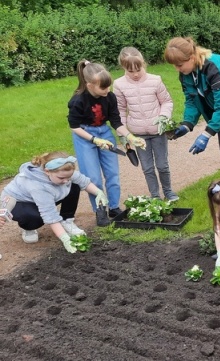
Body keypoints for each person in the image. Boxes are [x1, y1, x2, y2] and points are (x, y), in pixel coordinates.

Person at [164, 37, 220, 181]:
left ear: (192, 57)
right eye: (175, 65)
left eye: (179, 64)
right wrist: (187, 125)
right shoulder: (186, 74)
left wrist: (206, 134)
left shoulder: (214, 67)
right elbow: (192, 101)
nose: (177, 69)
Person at [67, 60, 146, 227]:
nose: (107, 90)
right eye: (103, 88)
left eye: (108, 86)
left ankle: (114, 207)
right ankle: (100, 209)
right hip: (85, 136)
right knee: (93, 177)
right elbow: (74, 126)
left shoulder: (109, 97)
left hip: (104, 132)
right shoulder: (78, 101)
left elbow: (116, 122)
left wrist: (131, 138)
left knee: (113, 174)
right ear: (89, 85)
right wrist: (94, 140)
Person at [0, 151, 109, 253]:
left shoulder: (63, 172)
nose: (66, 180)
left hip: (46, 195)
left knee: (74, 185)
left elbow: (83, 181)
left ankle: (66, 220)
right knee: (35, 217)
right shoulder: (37, 186)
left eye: (68, 177)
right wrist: (65, 238)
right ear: (47, 171)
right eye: (61, 178)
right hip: (18, 202)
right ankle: (29, 228)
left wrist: (99, 193)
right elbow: (49, 215)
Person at [113, 47, 179, 202]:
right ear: (123, 68)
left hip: (157, 131)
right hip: (138, 134)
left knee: (162, 165)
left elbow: (167, 102)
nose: (135, 74)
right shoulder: (118, 84)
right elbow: (120, 109)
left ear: (143, 64)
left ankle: (168, 192)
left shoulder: (155, 80)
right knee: (147, 167)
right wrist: (123, 134)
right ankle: (155, 195)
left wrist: (163, 117)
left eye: (138, 69)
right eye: (130, 71)